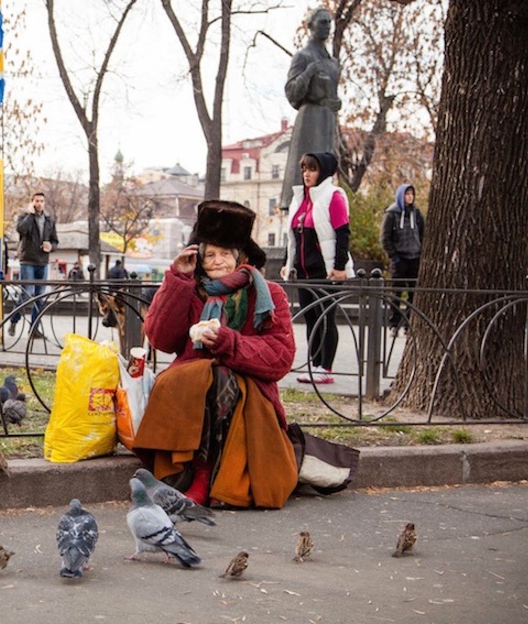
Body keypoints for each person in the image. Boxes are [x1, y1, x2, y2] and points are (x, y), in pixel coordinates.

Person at [132, 200, 299, 510]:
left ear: (240, 257)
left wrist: (227, 342)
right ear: (199, 258)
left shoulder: (267, 292)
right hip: (190, 383)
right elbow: (160, 338)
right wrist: (178, 281)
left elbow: (280, 356)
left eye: (225, 254)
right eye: (210, 255)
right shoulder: (191, 287)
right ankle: (197, 474)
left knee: (219, 377)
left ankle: (206, 477)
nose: (218, 261)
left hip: (249, 388)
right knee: (202, 378)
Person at [280, 152, 353, 385]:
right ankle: (315, 363)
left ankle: (325, 367)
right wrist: (287, 263)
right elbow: (292, 237)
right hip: (304, 272)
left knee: (325, 318)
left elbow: (343, 233)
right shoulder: (300, 198)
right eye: (304, 169)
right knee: (311, 318)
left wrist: (340, 267)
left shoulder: (333, 196)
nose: (307, 174)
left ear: (324, 172)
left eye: (312, 169)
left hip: (325, 272)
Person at [280, 7, 342, 210]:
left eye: (329, 23)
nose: (327, 27)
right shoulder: (303, 57)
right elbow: (291, 92)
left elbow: (332, 93)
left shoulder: (333, 63)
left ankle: (322, 204)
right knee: (306, 165)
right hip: (309, 121)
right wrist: (308, 73)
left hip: (327, 120)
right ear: (310, 25)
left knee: (325, 168)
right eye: (322, 22)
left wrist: (335, 103)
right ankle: (297, 204)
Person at [10, 192, 58, 338]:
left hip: (43, 261)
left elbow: (55, 240)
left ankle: (34, 329)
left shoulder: (49, 220)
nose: (39, 203)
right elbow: (21, 229)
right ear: (32, 202)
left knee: (40, 297)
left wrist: (51, 246)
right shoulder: (24, 217)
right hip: (28, 260)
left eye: (42, 201)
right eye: (37, 201)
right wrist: (30, 215)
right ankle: (13, 321)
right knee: (27, 294)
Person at [381, 184, 425, 330]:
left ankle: (408, 323)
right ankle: (394, 323)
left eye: (412, 194)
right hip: (399, 258)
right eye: (407, 194)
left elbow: (423, 234)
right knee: (396, 293)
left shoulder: (416, 214)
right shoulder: (392, 214)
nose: (410, 197)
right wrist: (394, 256)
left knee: (413, 294)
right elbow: (385, 238)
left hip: (415, 258)